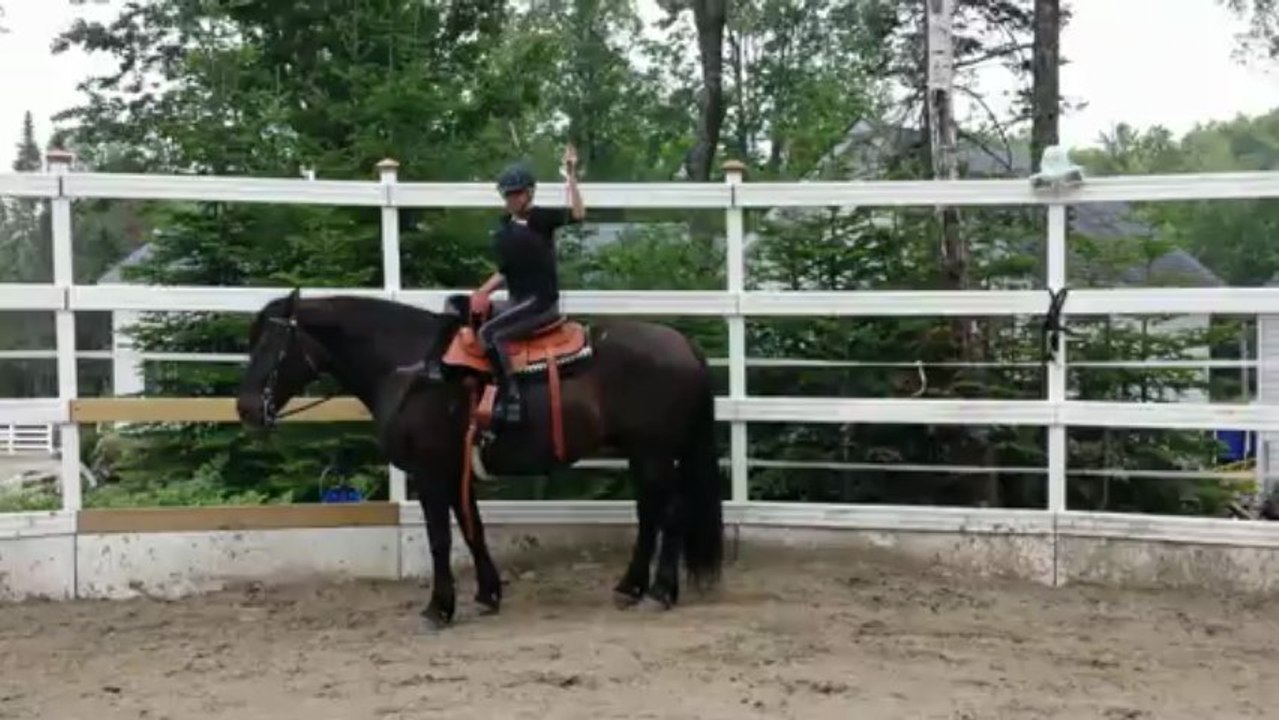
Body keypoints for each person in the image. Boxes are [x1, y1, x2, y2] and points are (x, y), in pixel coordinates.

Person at [472, 145, 585, 425]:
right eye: (508, 194)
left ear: (530, 193)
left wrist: (571, 175)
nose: (512, 199)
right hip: (518, 299)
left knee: (490, 335)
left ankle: (511, 396)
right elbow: (505, 271)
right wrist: (482, 292)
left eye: (517, 193)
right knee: (467, 314)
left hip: (540, 302)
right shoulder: (504, 228)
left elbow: (578, 214)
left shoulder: (541, 219)